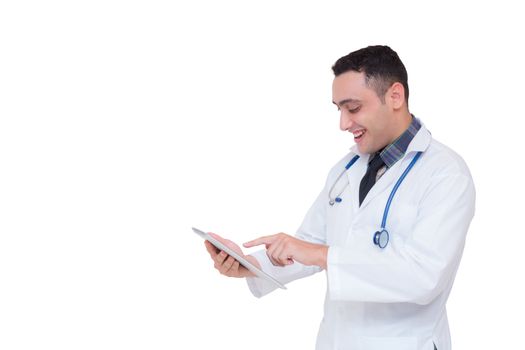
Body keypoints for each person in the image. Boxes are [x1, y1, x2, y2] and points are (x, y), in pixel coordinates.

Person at [204, 45, 475, 350]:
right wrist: (250, 264)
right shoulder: (345, 170)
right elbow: (307, 244)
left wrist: (322, 254)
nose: (343, 124)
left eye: (354, 108)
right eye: (339, 109)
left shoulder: (445, 174)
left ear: (395, 96)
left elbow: (425, 277)